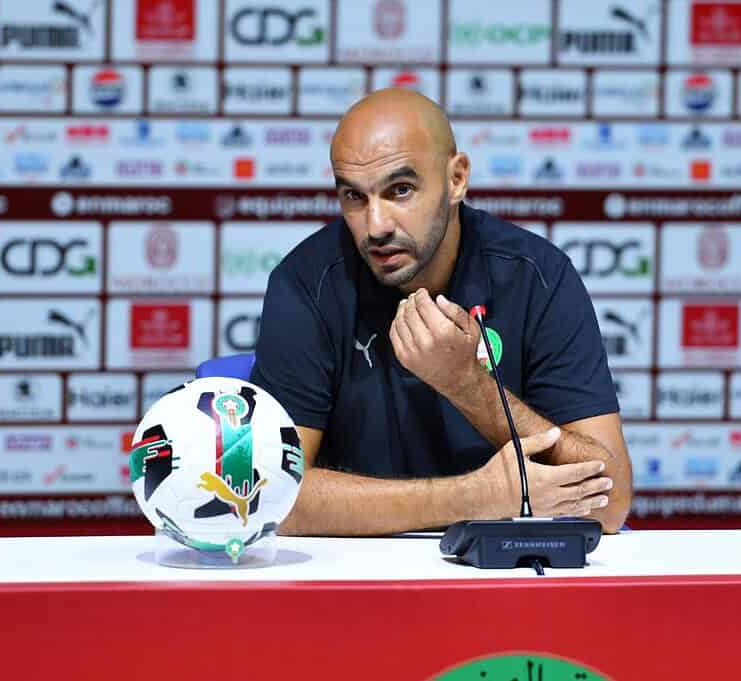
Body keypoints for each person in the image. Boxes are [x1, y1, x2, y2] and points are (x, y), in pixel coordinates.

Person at [251, 89, 632, 535]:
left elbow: (611, 502)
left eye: (401, 190)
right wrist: (475, 497)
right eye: (354, 197)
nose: (376, 226)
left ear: (457, 179)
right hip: (356, 568)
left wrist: (467, 385)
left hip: (504, 577)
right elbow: (275, 496)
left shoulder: (537, 276)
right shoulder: (306, 284)